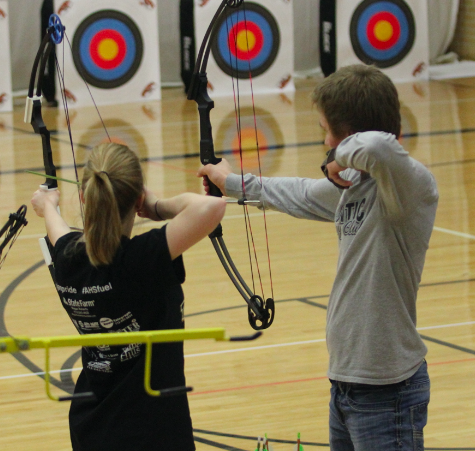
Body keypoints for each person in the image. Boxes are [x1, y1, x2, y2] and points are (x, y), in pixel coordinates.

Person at [197, 64, 438, 451]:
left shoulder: (411, 187)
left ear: (349, 138)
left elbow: (378, 147)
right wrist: (233, 183)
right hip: (346, 384)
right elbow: (299, 193)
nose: (324, 140)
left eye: (326, 130)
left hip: (387, 391)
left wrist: (338, 157)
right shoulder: (356, 187)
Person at [31, 142, 226, 451]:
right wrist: (156, 205)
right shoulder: (141, 260)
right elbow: (212, 207)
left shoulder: (68, 258)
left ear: (84, 197)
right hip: (155, 431)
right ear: (137, 201)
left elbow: (57, 231)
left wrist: (48, 205)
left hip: (91, 426)